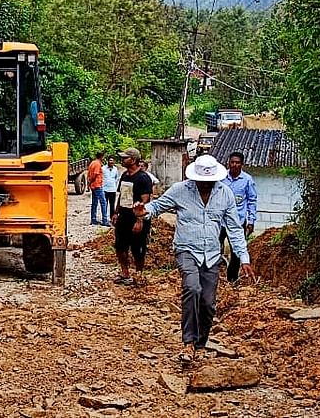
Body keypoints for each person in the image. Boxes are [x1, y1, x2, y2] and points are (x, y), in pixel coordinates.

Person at [132, 154, 256, 362]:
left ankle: (200, 343)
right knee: (192, 288)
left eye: (210, 181)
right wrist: (143, 211)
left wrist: (244, 258)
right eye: (202, 181)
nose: (206, 185)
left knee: (208, 302)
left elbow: (234, 228)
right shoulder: (181, 190)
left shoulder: (224, 194)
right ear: (195, 178)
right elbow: (157, 206)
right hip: (186, 249)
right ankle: (188, 343)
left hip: (212, 254)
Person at [110, 147, 153, 285]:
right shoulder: (125, 175)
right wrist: (116, 212)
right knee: (120, 247)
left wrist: (140, 220)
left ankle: (138, 275)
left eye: (125, 158)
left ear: (133, 160)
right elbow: (121, 195)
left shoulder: (143, 178)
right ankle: (125, 273)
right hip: (124, 216)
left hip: (136, 218)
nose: (122, 160)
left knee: (138, 248)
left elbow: (146, 200)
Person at [220, 151, 258, 284]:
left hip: (238, 221)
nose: (234, 165)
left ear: (242, 164)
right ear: (228, 163)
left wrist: (251, 221)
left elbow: (252, 201)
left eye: (237, 162)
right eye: (232, 162)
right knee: (213, 249)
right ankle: (213, 277)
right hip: (220, 221)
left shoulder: (247, 180)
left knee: (236, 252)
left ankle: (232, 280)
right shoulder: (221, 177)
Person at [87, 152, 107, 226]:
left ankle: (93, 219)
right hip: (97, 185)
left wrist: (89, 183)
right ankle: (105, 220)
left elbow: (89, 173)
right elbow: (95, 174)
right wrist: (91, 181)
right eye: (104, 157)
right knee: (103, 202)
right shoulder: (97, 164)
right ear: (101, 157)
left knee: (94, 202)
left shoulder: (92, 162)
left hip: (93, 185)